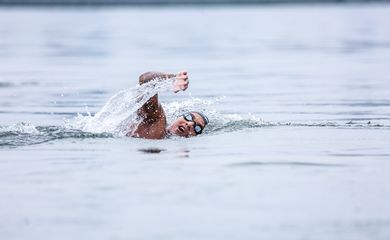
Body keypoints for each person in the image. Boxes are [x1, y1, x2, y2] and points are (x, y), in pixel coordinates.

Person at [128, 71, 209, 139]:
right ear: (178, 117)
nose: (189, 124)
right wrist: (172, 79)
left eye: (197, 128)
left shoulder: (164, 138)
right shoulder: (157, 121)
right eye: (189, 117)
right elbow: (146, 79)